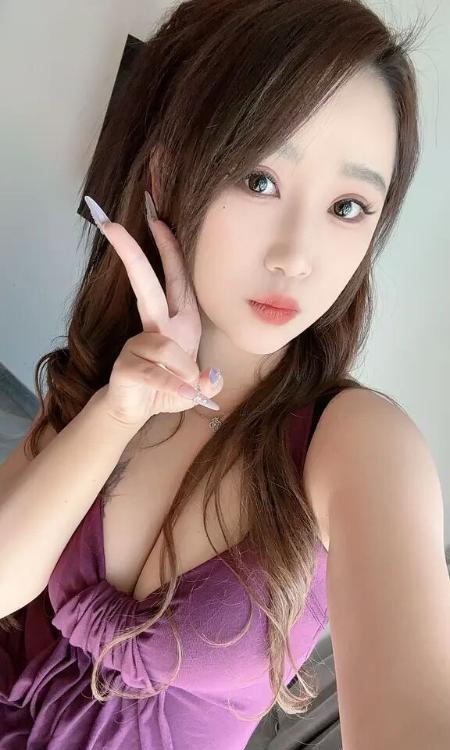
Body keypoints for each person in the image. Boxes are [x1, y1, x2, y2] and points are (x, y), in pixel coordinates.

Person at [1, 2, 449, 749]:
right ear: (171, 169)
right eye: (258, 179)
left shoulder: (360, 444)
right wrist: (118, 410)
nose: (296, 256)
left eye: (348, 206)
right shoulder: (111, 367)